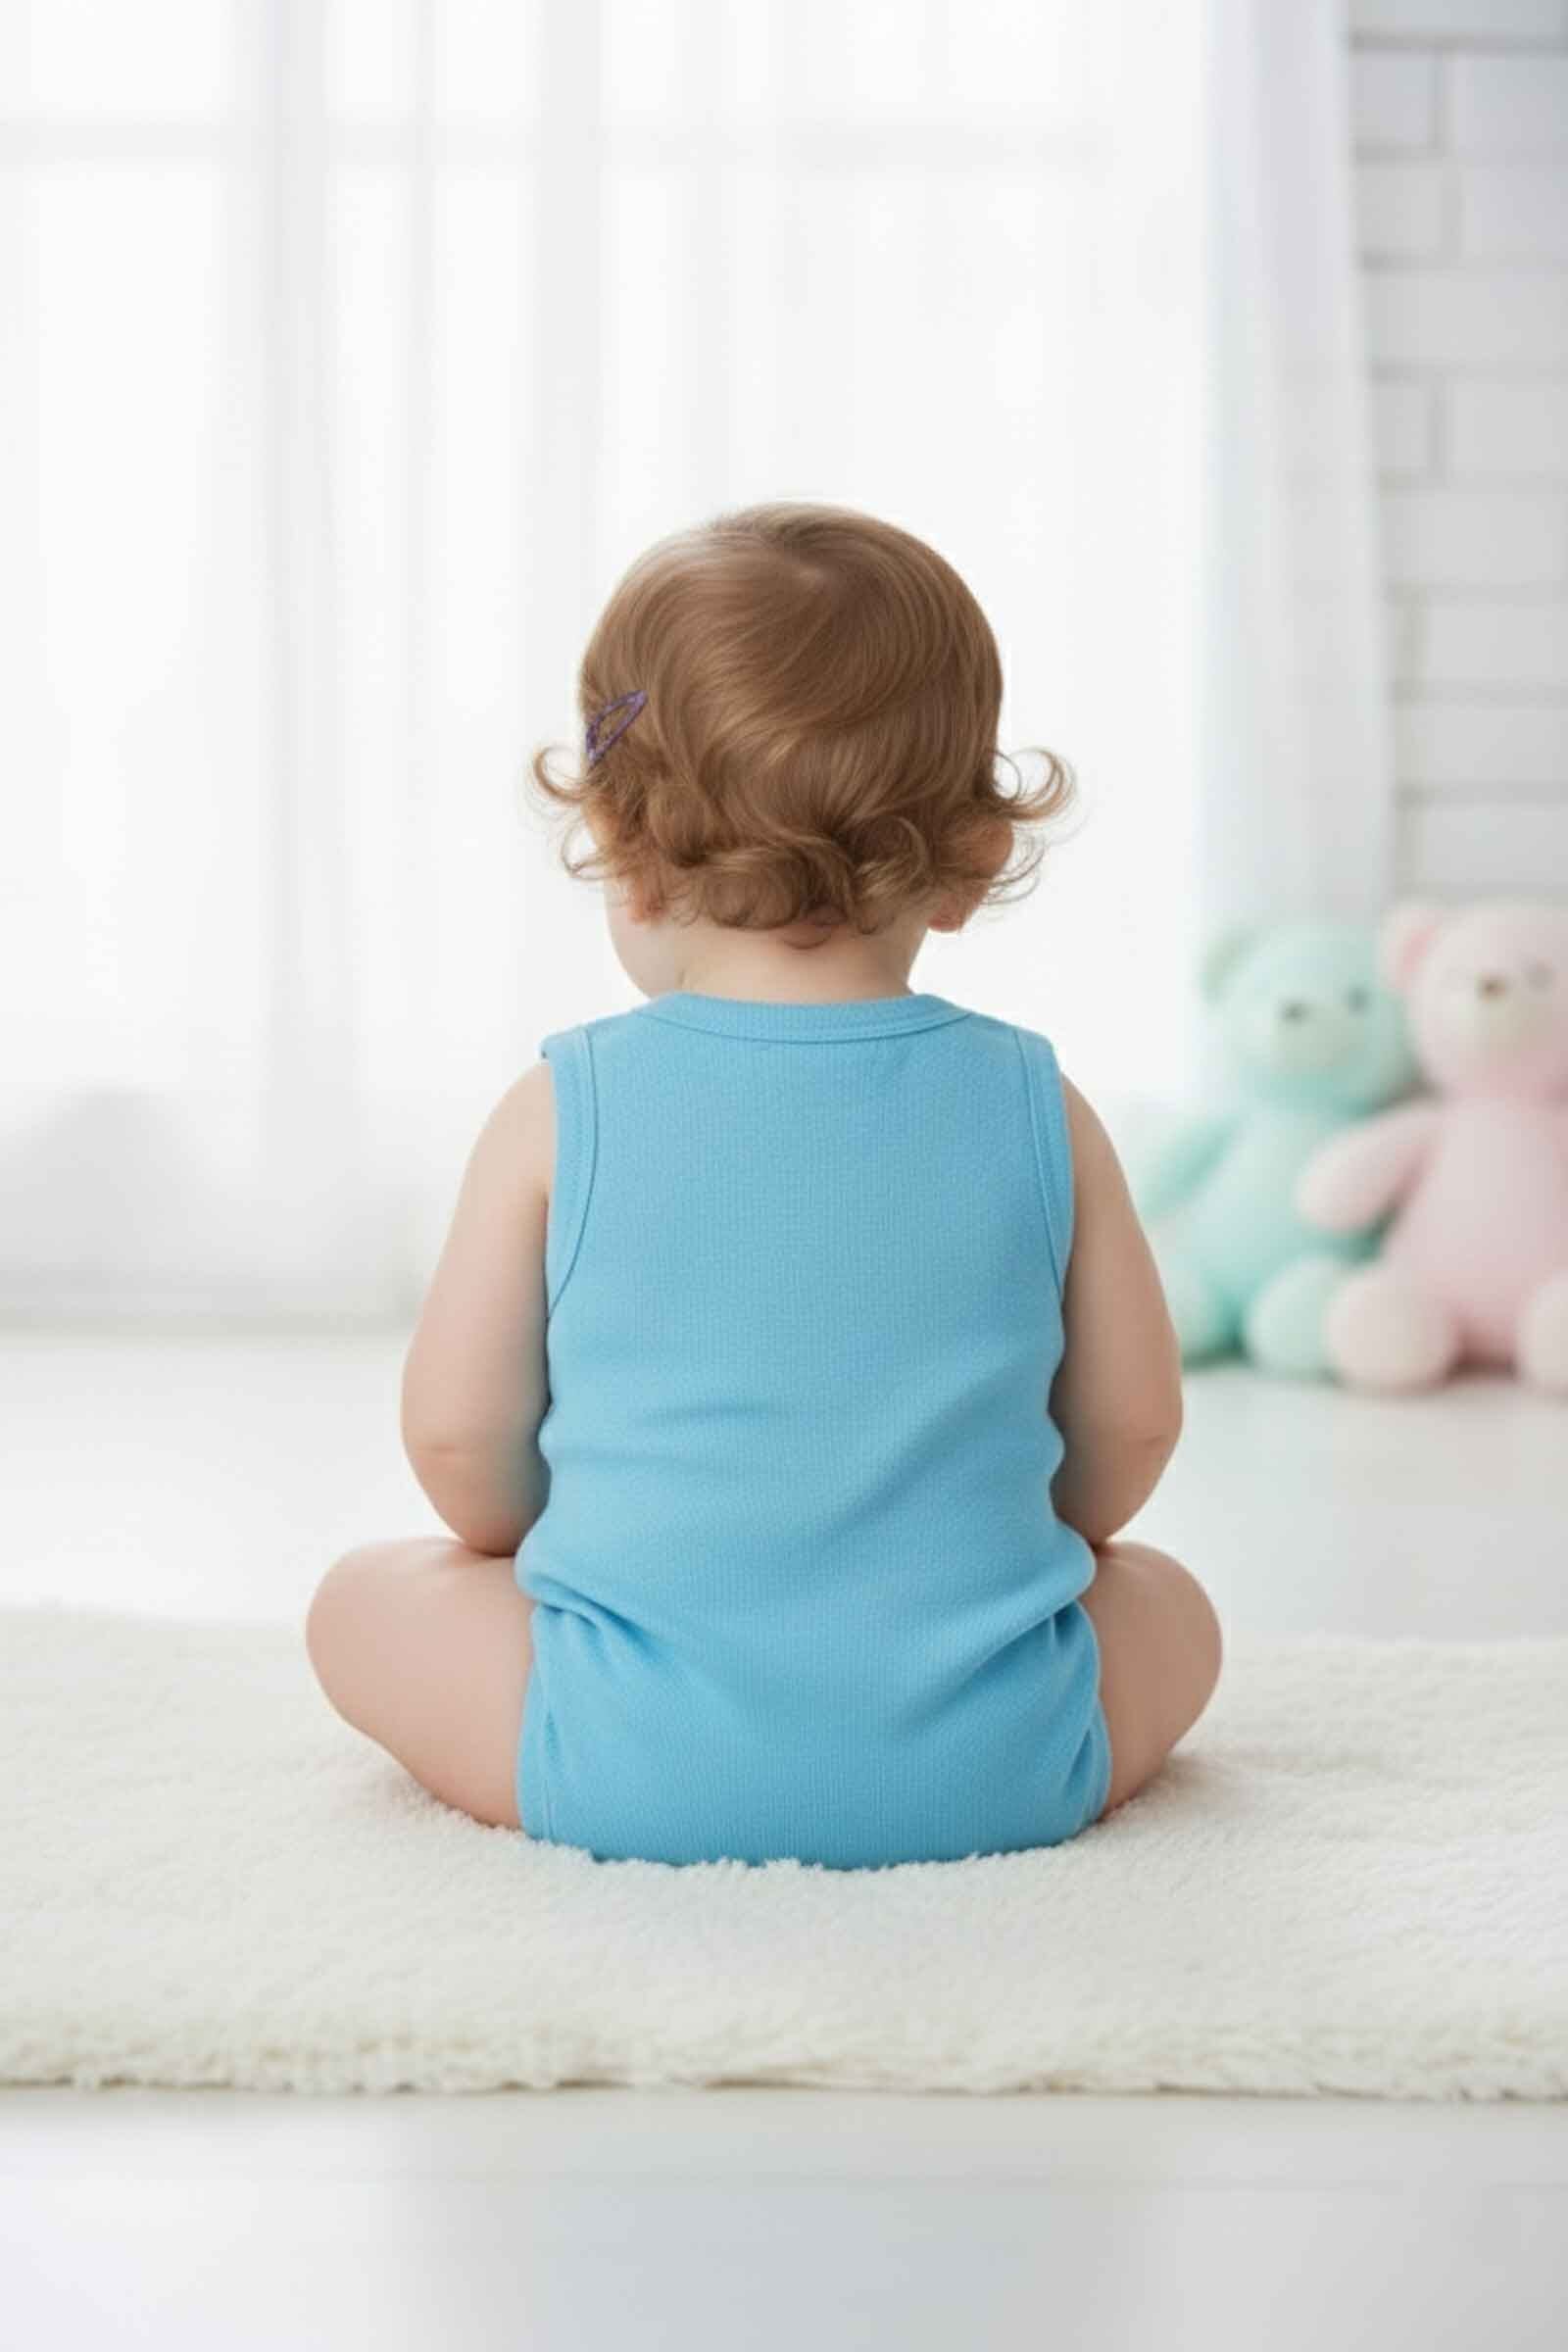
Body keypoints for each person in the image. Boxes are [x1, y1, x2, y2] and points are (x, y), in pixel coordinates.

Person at [306, 502, 1221, 1867]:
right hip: (996, 1767)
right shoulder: (1041, 1103)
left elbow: (460, 1461)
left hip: (623, 1761)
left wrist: (578, 1549)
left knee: (359, 1600)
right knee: (1170, 1602)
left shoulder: (559, 1107)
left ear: (621, 846)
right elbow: (1129, 1435)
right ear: (972, 858)